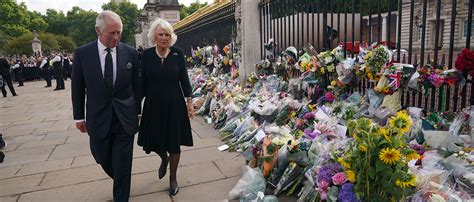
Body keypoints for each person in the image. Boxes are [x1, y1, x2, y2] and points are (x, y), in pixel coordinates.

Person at [71, 10, 141, 201]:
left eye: (119, 32)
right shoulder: (83, 54)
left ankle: (121, 194)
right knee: (101, 156)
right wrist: (79, 117)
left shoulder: (131, 53)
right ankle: (121, 179)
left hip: (125, 118)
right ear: (98, 31)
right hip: (97, 117)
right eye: (112, 33)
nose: (117, 37)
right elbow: (77, 87)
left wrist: (138, 112)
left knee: (123, 162)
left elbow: (137, 86)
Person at [138, 18, 194, 197]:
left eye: (167, 35)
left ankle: (173, 178)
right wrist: (136, 108)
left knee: (174, 142)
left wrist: (189, 103)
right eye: (161, 34)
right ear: (154, 36)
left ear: (171, 37)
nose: (164, 38)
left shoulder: (177, 53)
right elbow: (142, 83)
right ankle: (164, 159)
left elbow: (184, 80)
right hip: (153, 105)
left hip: (175, 105)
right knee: (153, 140)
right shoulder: (146, 55)